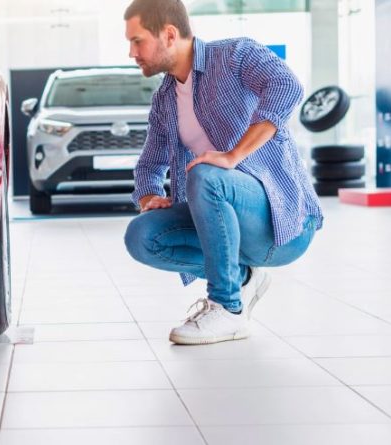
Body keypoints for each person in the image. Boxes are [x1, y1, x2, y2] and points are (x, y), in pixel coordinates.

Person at [122, 0, 323, 345]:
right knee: (141, 236)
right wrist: (149, 196)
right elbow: (149, 165)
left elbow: (287, 86)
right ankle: (241, 278)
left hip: (282, 223)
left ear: (169, 34)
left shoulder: (234, 56)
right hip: (224, 219)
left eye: (137, 41)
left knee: (205, 175)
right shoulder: (165, 99)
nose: (131, 52)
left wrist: (233, 155)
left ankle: (228, 308)